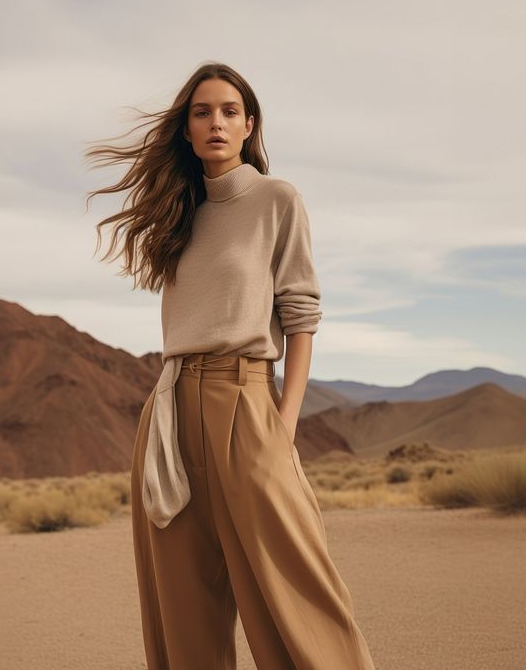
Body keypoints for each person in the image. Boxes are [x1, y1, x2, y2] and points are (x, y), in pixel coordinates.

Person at [85, 61, 377, 670]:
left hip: (245, 404)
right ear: (186, 131)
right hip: (169, 413)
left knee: (293, 589)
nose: (215, 122)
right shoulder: (179, 214)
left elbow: (300, 316)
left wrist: (284, 424)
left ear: (249, 125)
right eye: (201, 112)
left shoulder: (277, 200)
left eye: (227, 111)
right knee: (182, 606)